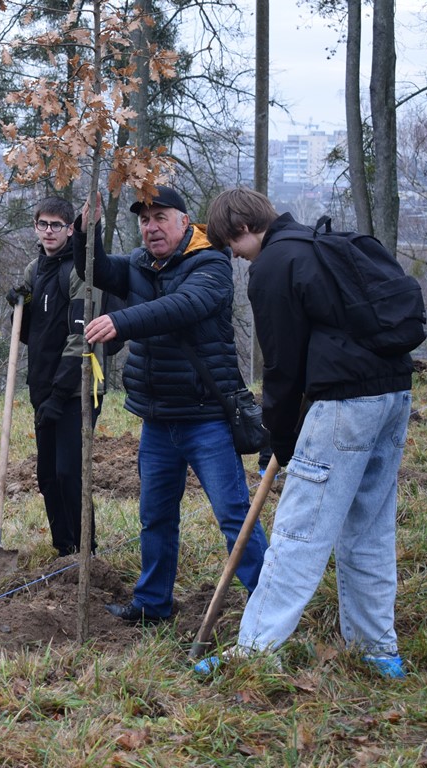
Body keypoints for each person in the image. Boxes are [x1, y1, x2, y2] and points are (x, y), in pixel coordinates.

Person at [193, 188, 414, 678]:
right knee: (370, 530)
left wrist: (280, 434)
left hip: (344, 408)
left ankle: (252, 652)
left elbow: (282, 365)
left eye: (230, 242)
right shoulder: (321, 244)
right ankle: (379, 652)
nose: (231, 254)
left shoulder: (274, 265)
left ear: (241, 229)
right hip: (393, 396)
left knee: (299, 532)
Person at [76, 186, 268, 624]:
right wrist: (90, 228)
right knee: (155, 518)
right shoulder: (141, 264)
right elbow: (97, 268)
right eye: (144, 220)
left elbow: (183, 306)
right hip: (157, 420)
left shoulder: (211, 262)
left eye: (161, 217)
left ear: (184, 221)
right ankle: (152, 604)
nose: (151, 227)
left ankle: (269, 601)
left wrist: (119, 320)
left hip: (206, 418)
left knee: (234, 516)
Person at [6, 196, 105, 558]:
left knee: (69, 475)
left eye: (57, 226)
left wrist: (59, 394)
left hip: (75, 391)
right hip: (43, 387)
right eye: (43, 224)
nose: (49, 232)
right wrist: (19, 307)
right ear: (35, 226)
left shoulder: (79, 272)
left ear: (69, 229)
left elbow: (81, 338)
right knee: (47, 476)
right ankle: (64, 549)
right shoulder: (36, 269)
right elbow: (30, 335)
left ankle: (86, 551)